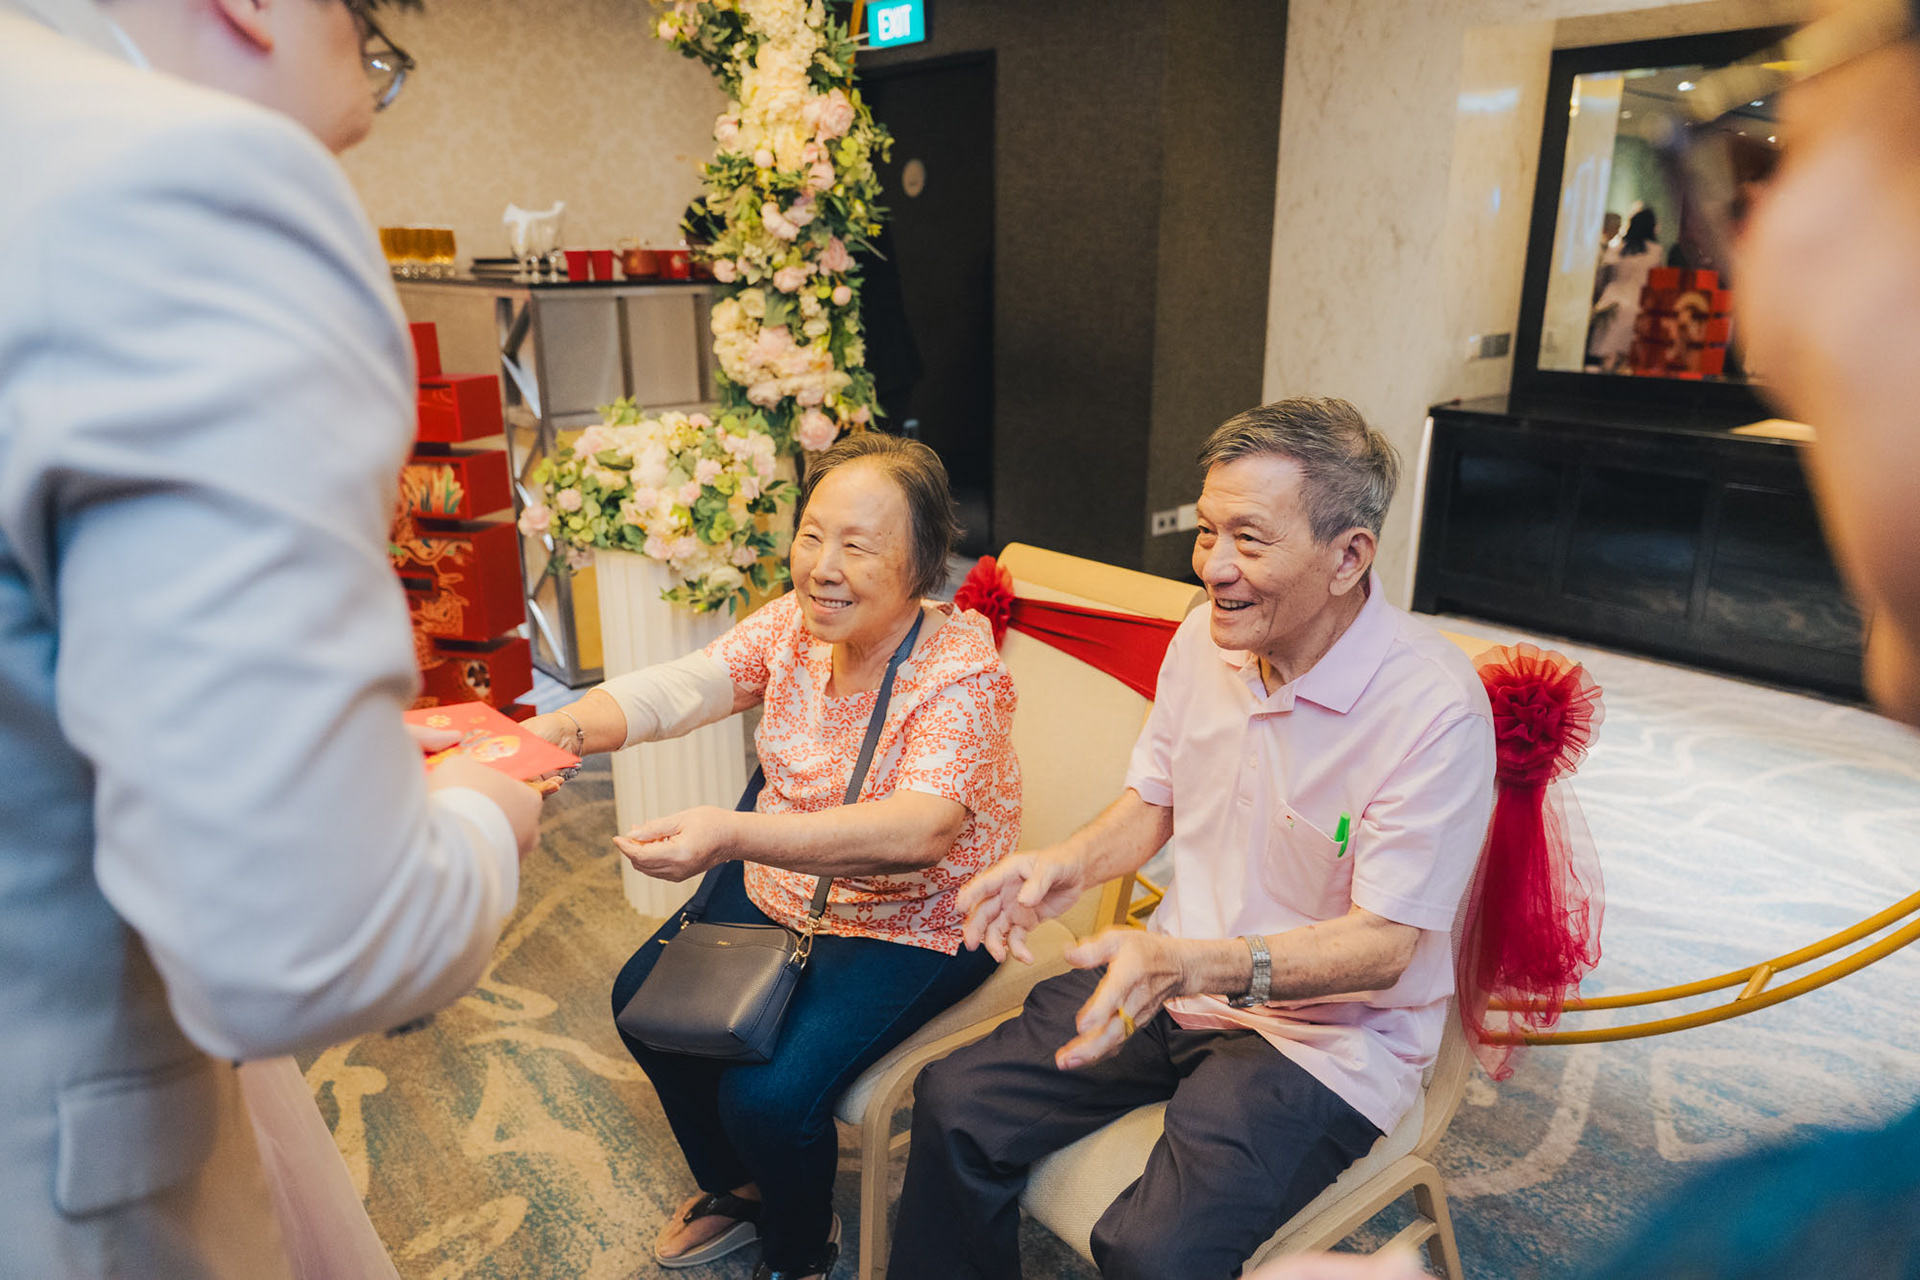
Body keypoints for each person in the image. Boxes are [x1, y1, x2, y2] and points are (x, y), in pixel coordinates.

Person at [0, 0, 544, 1275]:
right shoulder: (180, 179)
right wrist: (481, 813)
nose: (342, 147)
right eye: (369, 65)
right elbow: (306, 945)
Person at [885, 398, 1496, 1280]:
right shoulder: (1202, 640)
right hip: (1170, 978)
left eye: (1250, 539)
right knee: (956, 1102)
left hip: (1324, 1040)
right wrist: (1064, 864)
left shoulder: (1434, 709)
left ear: (1349, 556)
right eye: (1208, 531)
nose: (1213, 566)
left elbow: (1385, 946)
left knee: (1151, 1252)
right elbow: (1154, 801)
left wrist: (1191, 965)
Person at [524, 432, 1018, 1280]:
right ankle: (742, 1189)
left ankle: (800, 1245)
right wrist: (560, 729)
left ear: (923, 562)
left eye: (857, 546)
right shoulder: (795, 625)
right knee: (644, 1006)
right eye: (812, 535)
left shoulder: (961, 674)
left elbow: (920, 832)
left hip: (920, 919)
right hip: (785, 876)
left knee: (768, 1097)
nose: (823, 567)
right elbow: (683, 687)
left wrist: (731, 833)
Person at [1589, 207, 1662, 371]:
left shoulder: (1618, 248)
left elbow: (1603, 277)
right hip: (1640, 302)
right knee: (1630, 354)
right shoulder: (1656, 251)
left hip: (1612, 300)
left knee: (1607, 351)